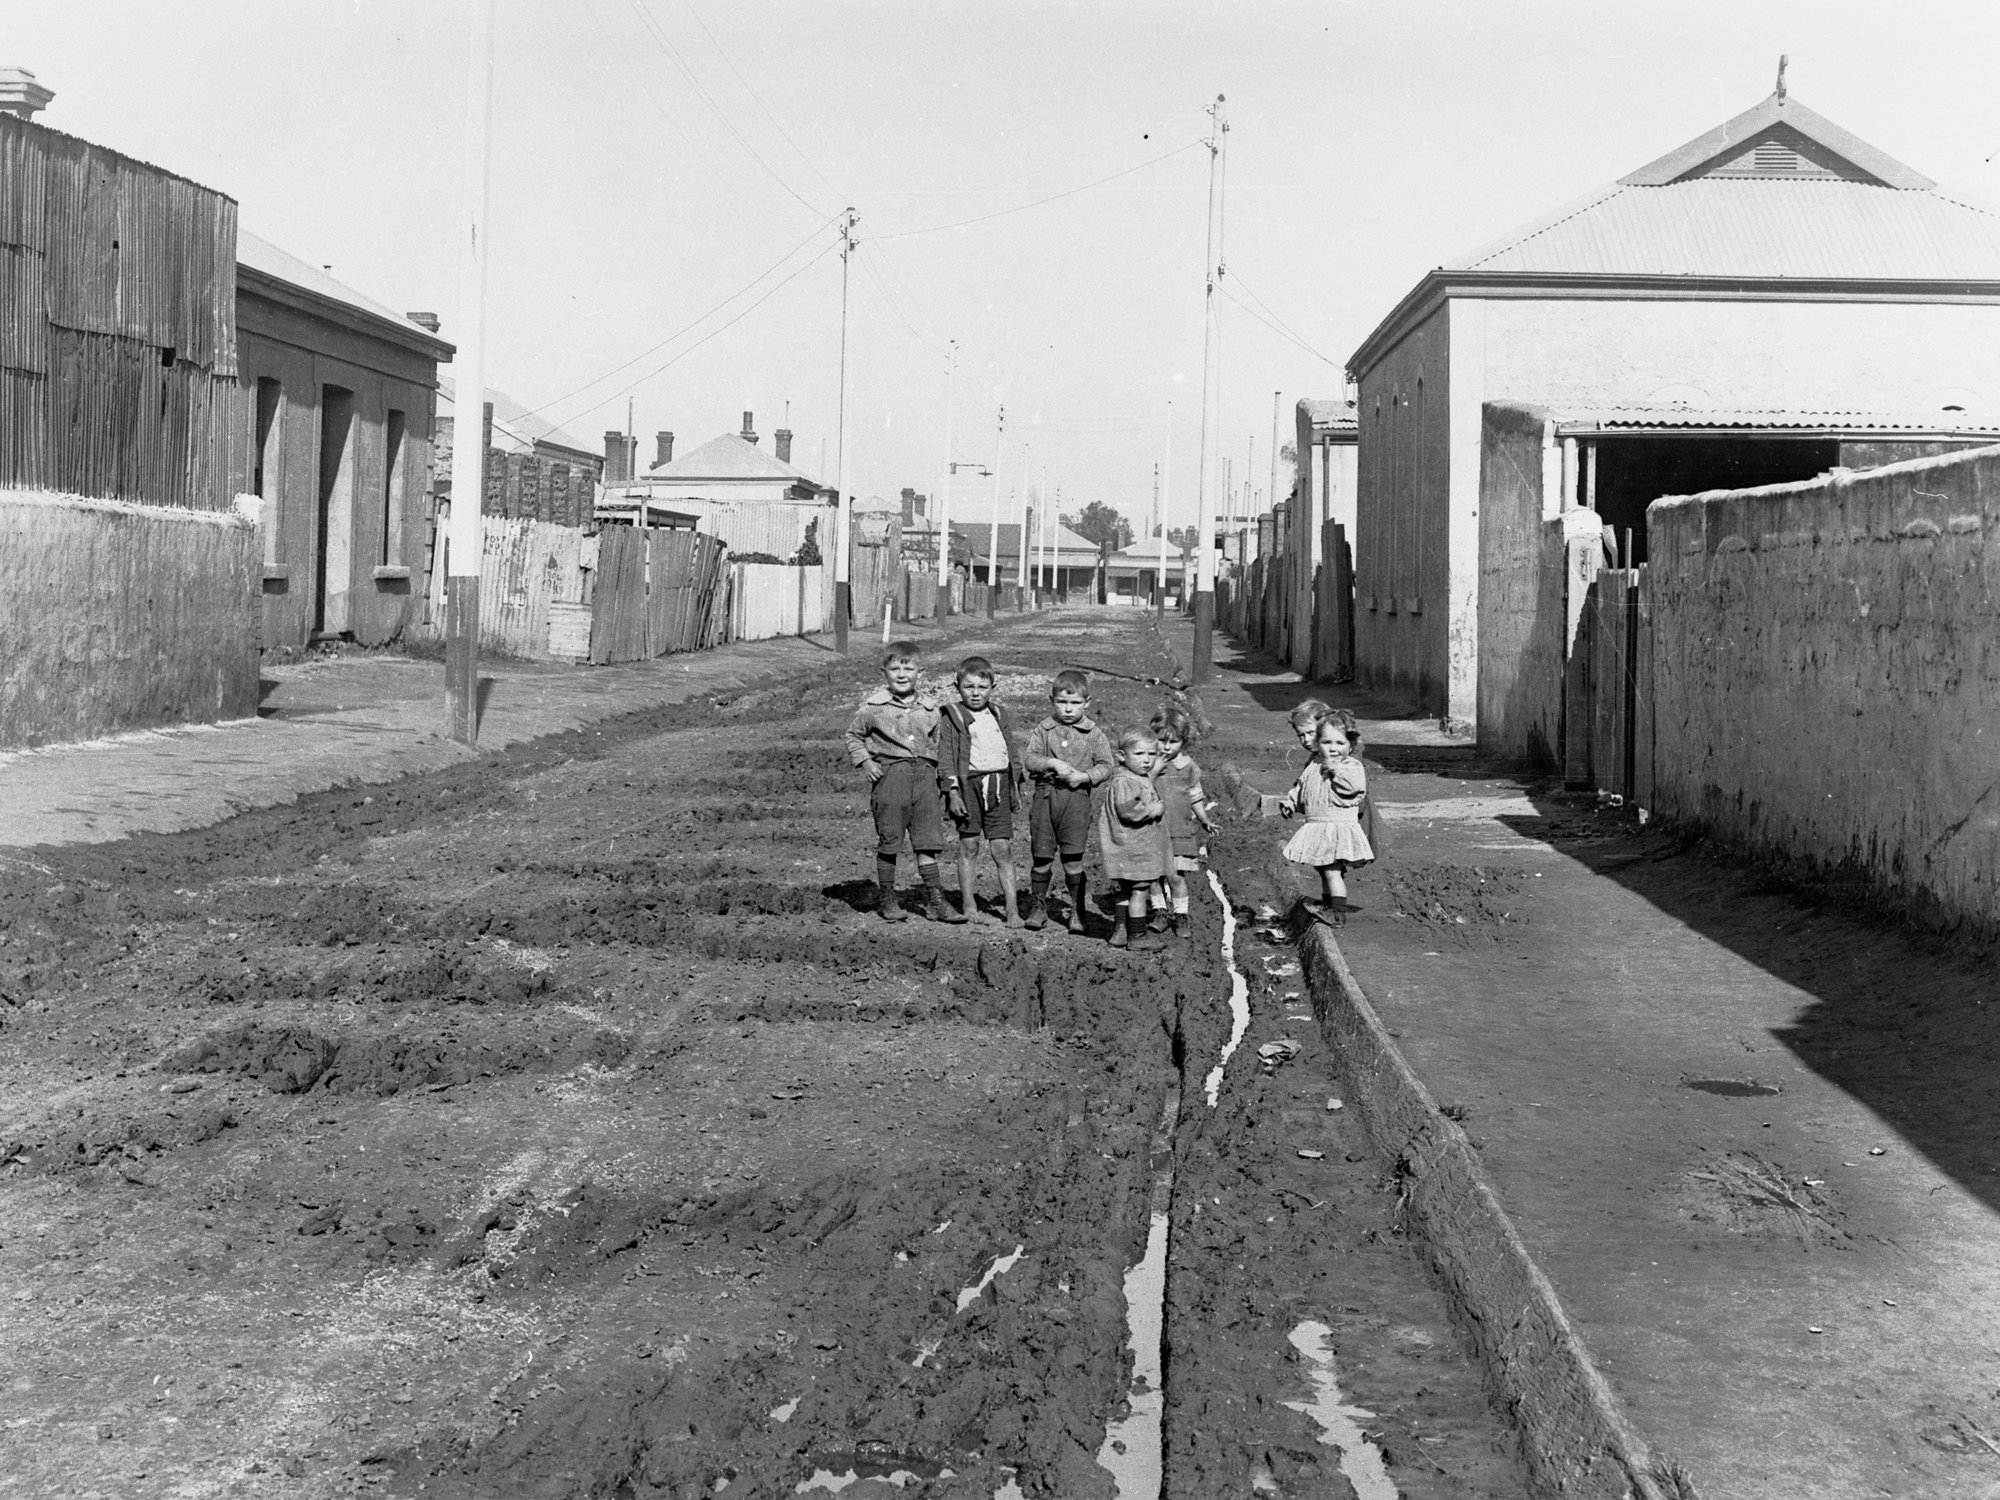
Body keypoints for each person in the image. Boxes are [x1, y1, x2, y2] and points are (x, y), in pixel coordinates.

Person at [844, 640, 960, 924]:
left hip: (925, 780)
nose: (901, 674)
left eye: (908, 668)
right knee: (890, 840)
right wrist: (866, 761)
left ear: (920, 671)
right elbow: (853, 735)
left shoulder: (931, 709)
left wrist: (946, 783)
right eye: (894, 668)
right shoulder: (873, 708)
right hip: (891, 777)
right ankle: (887, 898)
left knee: (927, 842)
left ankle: (936, 900)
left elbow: (940, 746)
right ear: (884, 671)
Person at [1021, 669, 1115, 933]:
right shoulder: (1044, 729)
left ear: (1087, 703)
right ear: (1052, 700)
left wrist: (1084, 777)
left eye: (1075, 703)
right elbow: (1030, 759)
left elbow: (1107, 766)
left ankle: (1077, 910)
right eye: (1062, 702)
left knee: (1073, 858)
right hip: (1046, 797)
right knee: (1042, 857)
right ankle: (1039, 907)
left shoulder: (1093, 734)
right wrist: (1052, 763)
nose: (1069, 709)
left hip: (1076, 800)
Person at [937, 655, 1027, 926]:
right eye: (969, 687)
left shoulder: (999, 714)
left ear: (993, 687)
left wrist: (1015, 785)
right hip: (968, 787)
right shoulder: (953, 716)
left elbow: (1011, 750)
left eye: (982, 687)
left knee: (1002, 848)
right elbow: (946, 756)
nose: (975, 693)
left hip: (997, 785)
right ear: (957, 687)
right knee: (969, 845)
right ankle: (969, 905)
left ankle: (1012, 910)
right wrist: (952, 792)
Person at [1279, 711, 1375, 916]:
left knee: (1332, 870)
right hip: (1319, 824)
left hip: (1336, 826)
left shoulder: (1350, 765)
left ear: (1350, 746)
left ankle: (1337, 911)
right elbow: (1302, 787)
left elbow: (1354, 787)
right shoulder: (1314, 764)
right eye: (1326, 742)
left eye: (1340, 744)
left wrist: (1335, 770)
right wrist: (1291, 802)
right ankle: (1328, 904)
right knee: (1323, 868)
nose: (1333, 749)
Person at [1097, 729, 1170, 951]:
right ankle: (1137, 936)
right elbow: (1129, 811)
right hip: (1136, 847)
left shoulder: (1133, 778)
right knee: (1139, 891)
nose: (1147, 760)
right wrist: (1153, 809)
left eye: (1151, 754)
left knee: (1124, 890)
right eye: (1139, 754)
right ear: (1121, 756)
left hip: (1126, 847)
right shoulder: (1126, 782)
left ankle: (1120, 931)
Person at [1148, 704, 1215, 939]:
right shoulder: (1150, 764)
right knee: (1153, 876)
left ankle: (1181, 914)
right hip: (1152, 830)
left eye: (1173, 742)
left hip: (1179, 830)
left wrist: (1204, 818)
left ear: (1183, 742)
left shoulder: (1188, 768)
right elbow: (1140, 786)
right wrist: (1154, 770)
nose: (1166, 747)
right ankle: (1160, 911)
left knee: (1176, 876)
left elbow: (1195, 795)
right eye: (1161, 740)